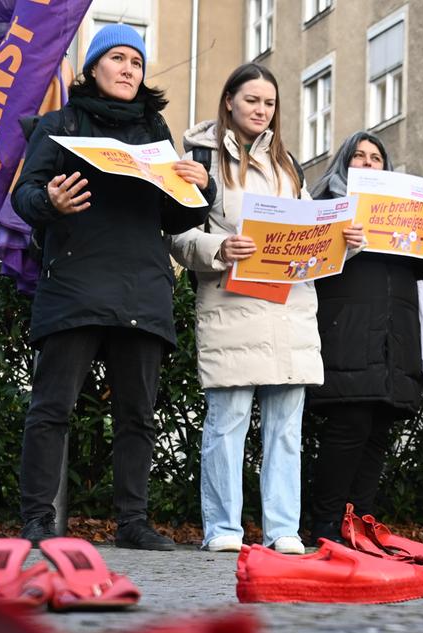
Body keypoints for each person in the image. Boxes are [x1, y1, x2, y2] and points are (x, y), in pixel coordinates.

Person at [10, 24, 211, 551]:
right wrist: (49, 201)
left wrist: (198, 186)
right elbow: (24, 196)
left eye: (136, 63)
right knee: (51, 409)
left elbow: (177, 217)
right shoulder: (59, 125)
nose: (128, 69)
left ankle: (133, 522)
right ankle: (37, 519)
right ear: (93, 68)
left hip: (142, 288)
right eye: (117, 58)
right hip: (74, 283)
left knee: (138, 416)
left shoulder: (157, 133)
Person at [172, 64, 341, 553]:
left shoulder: (290, 165)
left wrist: (342, 244)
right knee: (228, 423)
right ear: (229, 101)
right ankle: (223, 530)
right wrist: (218, 250)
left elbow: (311, 238)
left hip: (289, 311)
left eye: (269, 103)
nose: (261, 111)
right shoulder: (199, 158)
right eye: (252, 101)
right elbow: (175, 235)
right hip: (232, 306)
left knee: (287, 430)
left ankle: (282, 530)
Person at [304, 131, 423, 543]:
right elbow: (309, 264)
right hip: (346, 330)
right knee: (349, 424)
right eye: (358, 157)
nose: (367, 163)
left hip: (395, 336)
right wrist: (339, 239)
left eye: (375, 157)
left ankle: (362, 523)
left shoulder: (406, 211)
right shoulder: (325, 207)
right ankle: (326, 522)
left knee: (378, 430)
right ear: (344, 164)